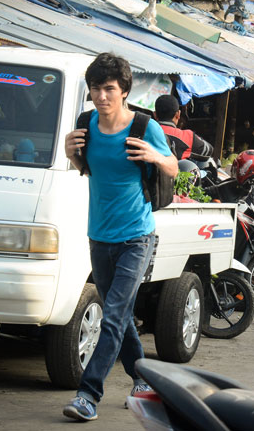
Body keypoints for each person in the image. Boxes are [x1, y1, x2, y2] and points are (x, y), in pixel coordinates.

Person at [62, 53, 178, 422]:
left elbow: (174, 166)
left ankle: (87, 394)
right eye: (95, 89)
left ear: (124, 90)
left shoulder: (144, 127)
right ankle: (144, 380)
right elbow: (88, 170)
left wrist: (157, 158)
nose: (101, 96)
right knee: (121, 315)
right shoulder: (86, 125)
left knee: (111, 316)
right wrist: (72, 156)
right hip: (99, 235)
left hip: (136, 236)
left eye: (109, 89)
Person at [154, 94, 214, 162]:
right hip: (177, 171)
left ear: (155, 114)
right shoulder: (187, 136)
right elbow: (208, 151)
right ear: (178, 114)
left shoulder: (145, 131)